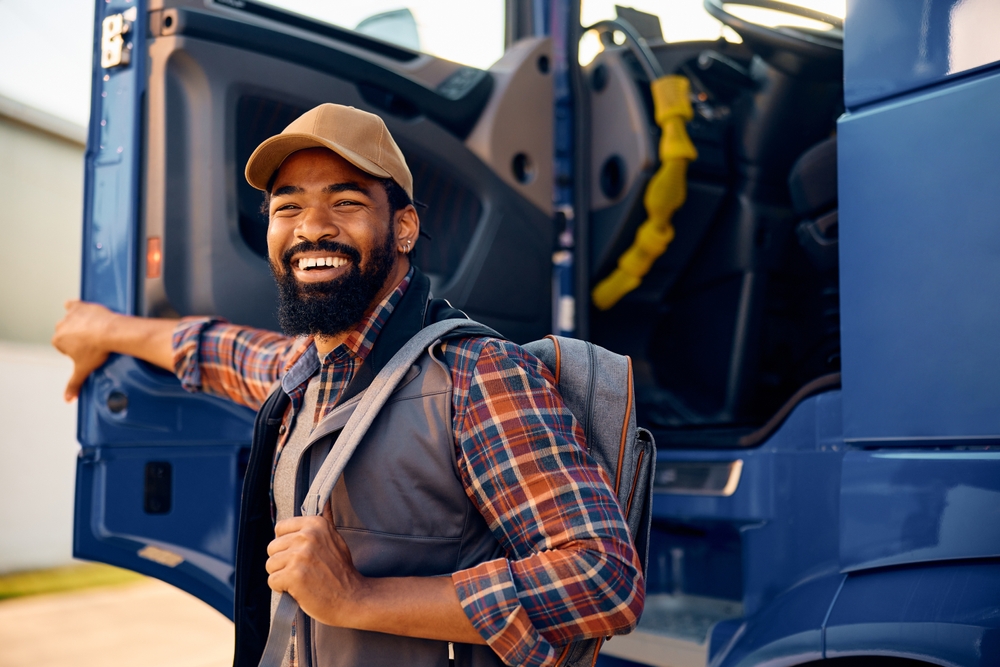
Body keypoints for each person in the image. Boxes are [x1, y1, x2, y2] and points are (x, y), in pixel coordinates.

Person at [52, 103, 643, 667]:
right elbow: (218, 350)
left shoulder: (478, 375)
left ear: (404, 227)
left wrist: (357, 597)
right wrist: (102, 328)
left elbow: (603, 579)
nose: (312, 227)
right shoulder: (305, 376)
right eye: (287, 207)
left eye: (346, 200)